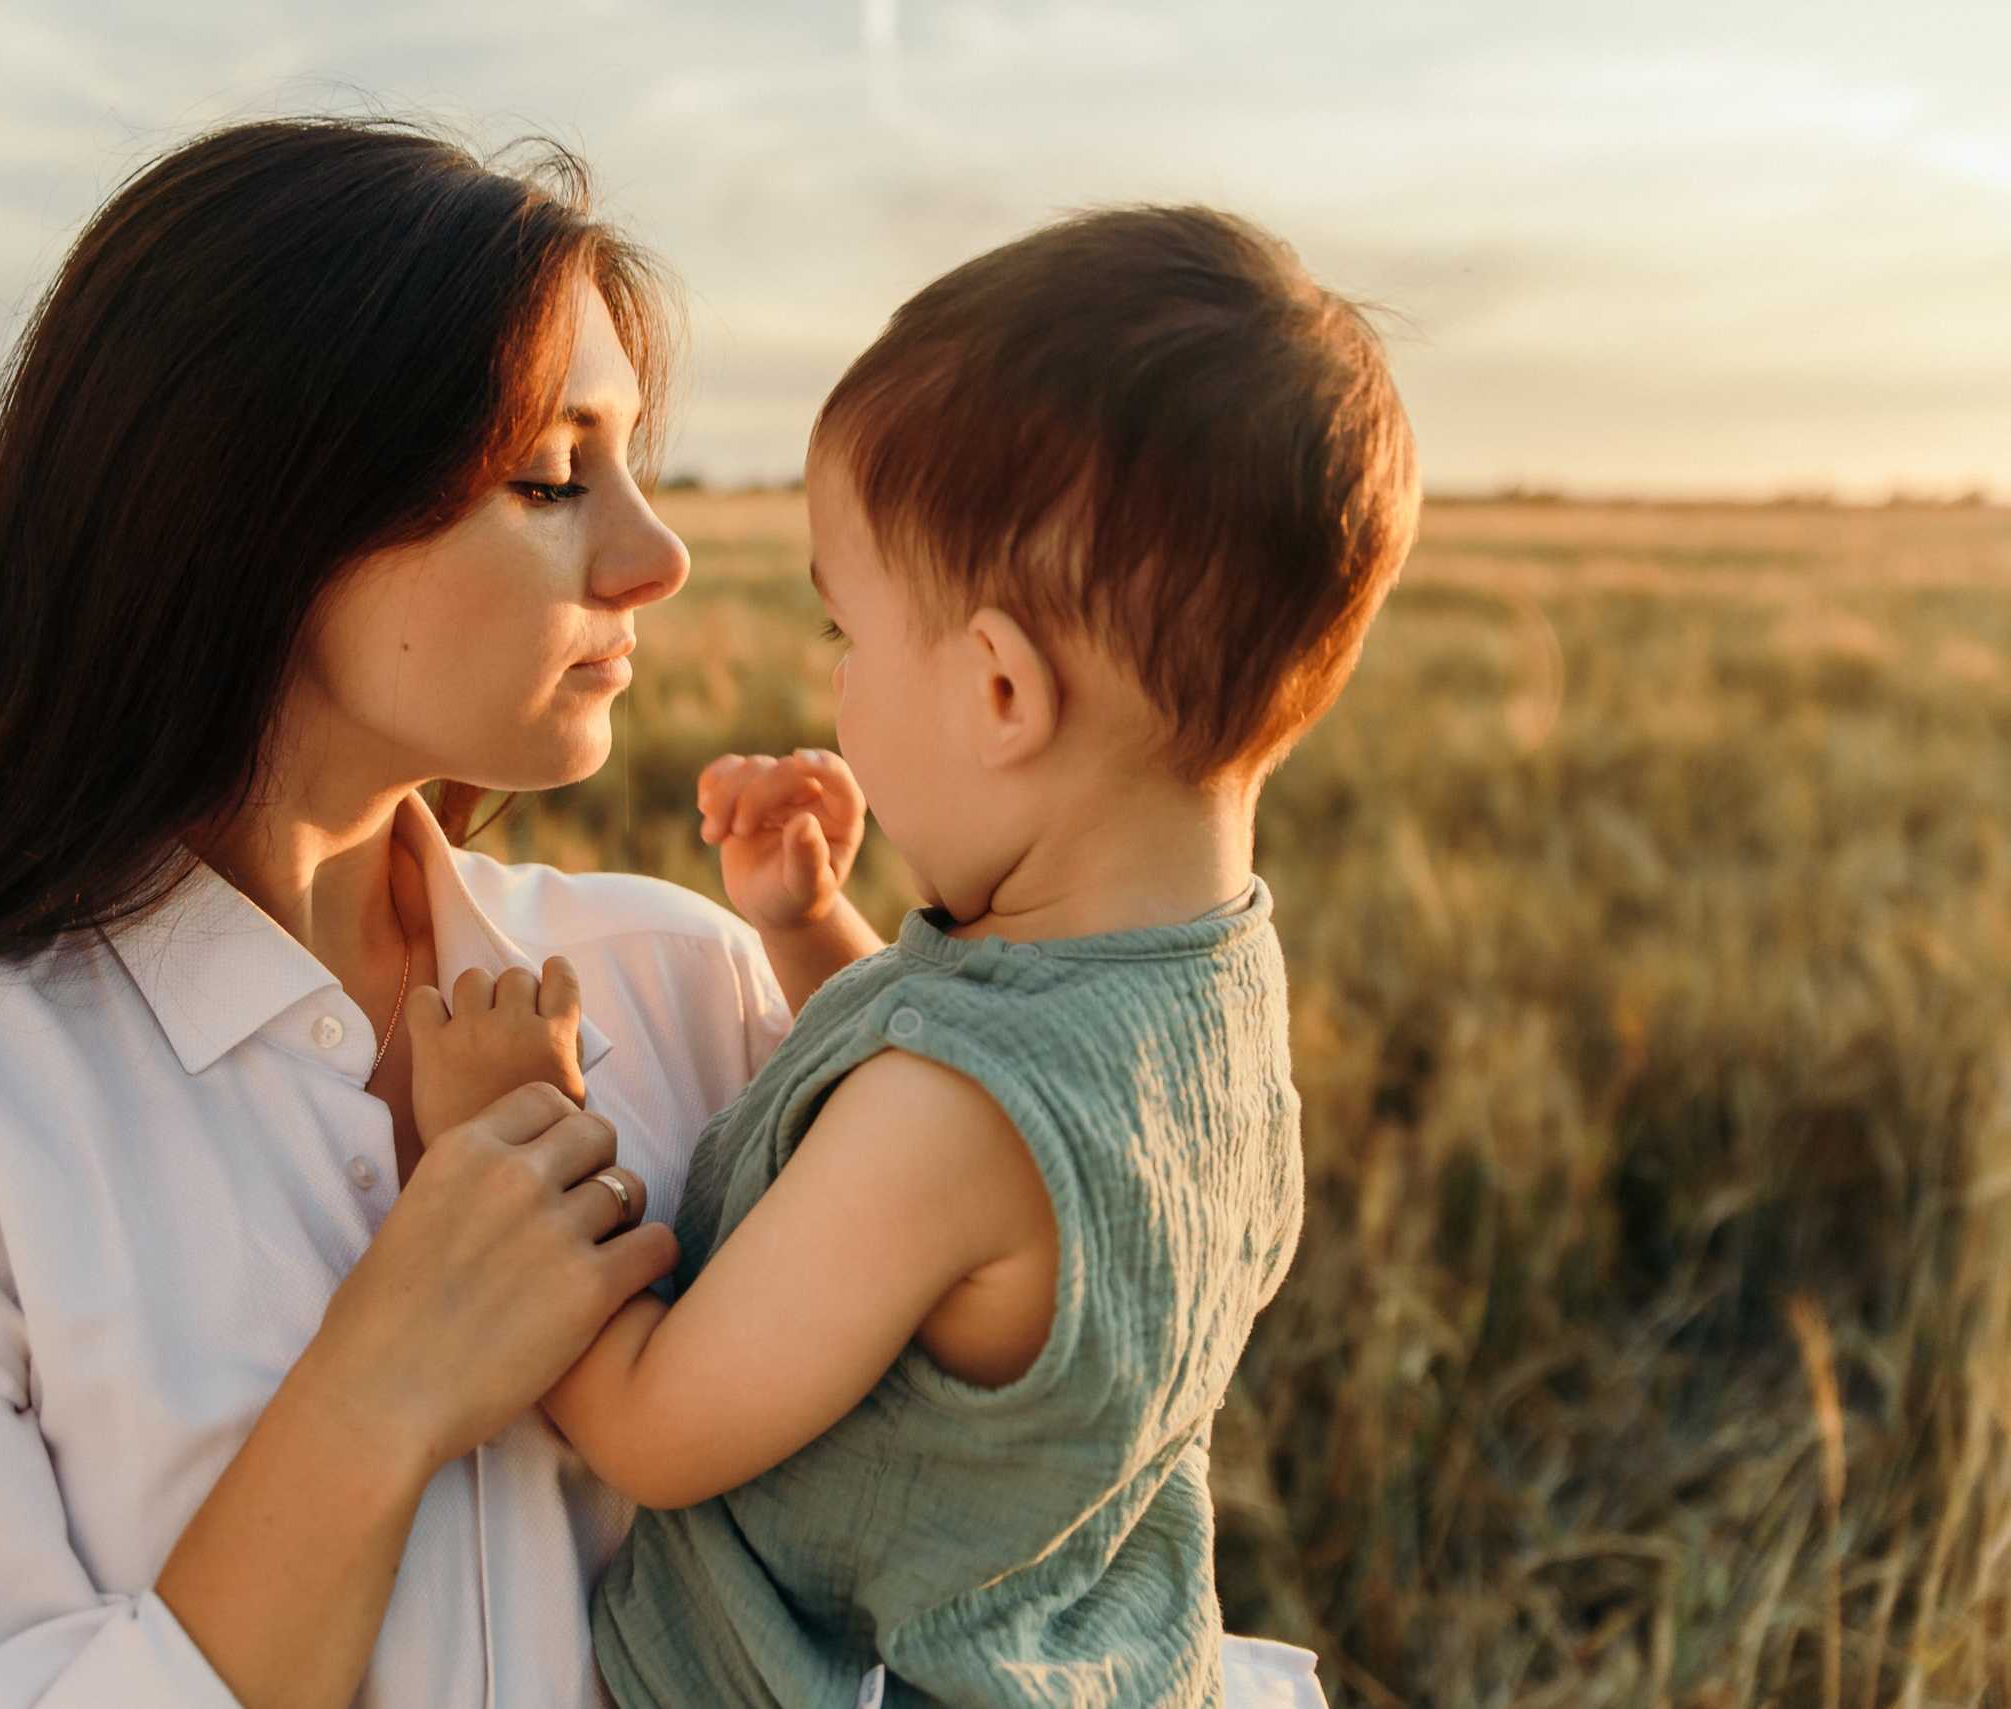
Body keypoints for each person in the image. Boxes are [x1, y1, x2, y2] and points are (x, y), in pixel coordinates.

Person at [0, 120, 792, 1709]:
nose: (657, 553)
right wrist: (379, 1391)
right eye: (554, 476)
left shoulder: (696, 989)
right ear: (256, 511)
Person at [418, 207, 1418, 1707]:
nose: (836, 683)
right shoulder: (1208, 993)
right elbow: (967, 1174)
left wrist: (509, 1137)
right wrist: (809, 923)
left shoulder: (948, 1132)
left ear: (1003, 686)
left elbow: (647, 1423)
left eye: (850, 632)